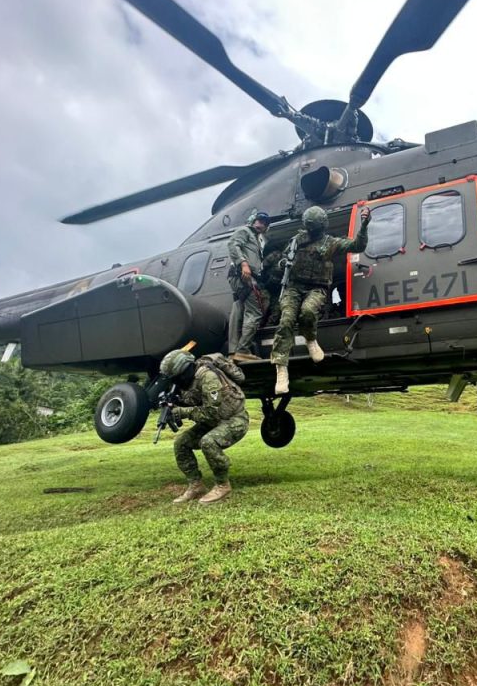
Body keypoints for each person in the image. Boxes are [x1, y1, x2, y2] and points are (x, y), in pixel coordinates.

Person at [271, 205, 371, 394]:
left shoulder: (330, 243)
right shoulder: (296, 240)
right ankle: (281, 369)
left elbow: (358, 246)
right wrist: (284, 263)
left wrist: (364, 224)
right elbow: (282, 261)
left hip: (317, 287)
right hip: (294, 287)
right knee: (286, 321)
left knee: (308, 312)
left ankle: (311, 339)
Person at [159, 349, 249, 504]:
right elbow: (194, 401)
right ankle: (196, 486)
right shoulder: (188, 381)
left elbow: (210, 413)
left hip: (234, 420)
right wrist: (173, 404)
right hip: (213, 422)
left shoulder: (208, 378)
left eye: (177, 378)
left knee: (208, 442)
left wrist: (182, 412)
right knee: (181, 443)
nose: (176, 383)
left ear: (185, 370)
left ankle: (222, 485)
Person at [227, 210, 270, 362]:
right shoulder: (245, 231)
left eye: (265, 223)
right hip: (243, 276)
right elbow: (232, 244)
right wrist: (243, 263)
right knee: (255, 312)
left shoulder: (257, 240)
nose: (261, 224)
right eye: (259, 220)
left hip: (244, 277)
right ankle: (243, 349)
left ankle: (234, 351)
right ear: (253, 220)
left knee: (239, 309)